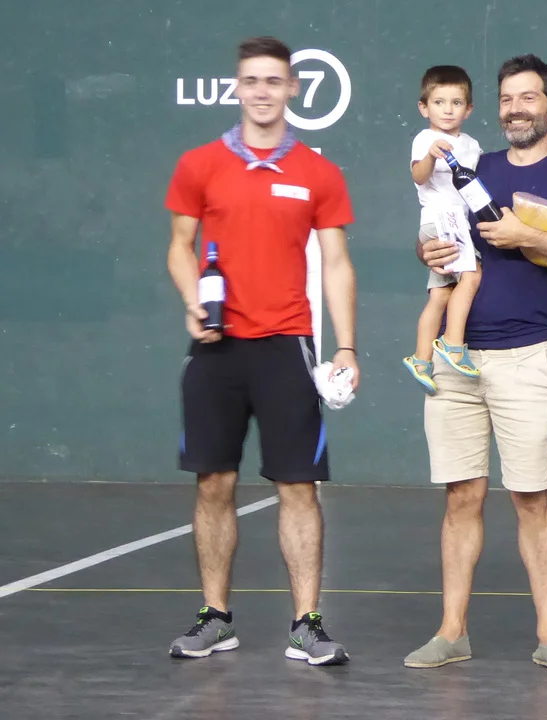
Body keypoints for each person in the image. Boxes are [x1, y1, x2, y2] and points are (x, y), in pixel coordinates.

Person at [404, 54, 547, 674]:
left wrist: (528, 236)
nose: (516, 109)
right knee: (461, 497)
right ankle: (452, 632)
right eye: (506, 99)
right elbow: (435, 225)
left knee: (531, 498)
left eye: (528, 98)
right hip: (454, 359)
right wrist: (427, 248)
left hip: (527, 358)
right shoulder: (472, 164)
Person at [163, 36, 359, 666]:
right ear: (237, 87)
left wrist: (346, 345)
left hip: (287, 349)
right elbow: (179, 246)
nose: (262, 91)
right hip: (216, 351)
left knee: (298, 488)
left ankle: (307, 625)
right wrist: (192, 301)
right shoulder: (198, 164)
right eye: (251, 81)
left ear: (292, 88)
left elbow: (336, 263)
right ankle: (215, 618)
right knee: (213, 483)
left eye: (274, 81)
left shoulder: (319, 173)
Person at [403, 65, 483, 394]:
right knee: (472, 276)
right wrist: (431, 157)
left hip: (457, 222)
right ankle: (452, 344)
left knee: (440, 294)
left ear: (469, 109)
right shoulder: (425, 139)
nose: (448, 110)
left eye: (456, 102)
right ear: (424, 108)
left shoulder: (473, 145)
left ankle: (421, 359)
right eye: (439, 102)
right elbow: (418, 176)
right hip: (440, 221)